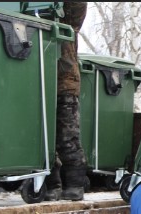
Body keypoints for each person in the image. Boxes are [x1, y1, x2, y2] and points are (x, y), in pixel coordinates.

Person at [45, 2, 88, 201]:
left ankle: (75, 184)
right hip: (38, 82)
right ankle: (51, 183)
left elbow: (77, 8)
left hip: (64, 84)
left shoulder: (66, 18)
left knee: (66, 137)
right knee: (42, 139)